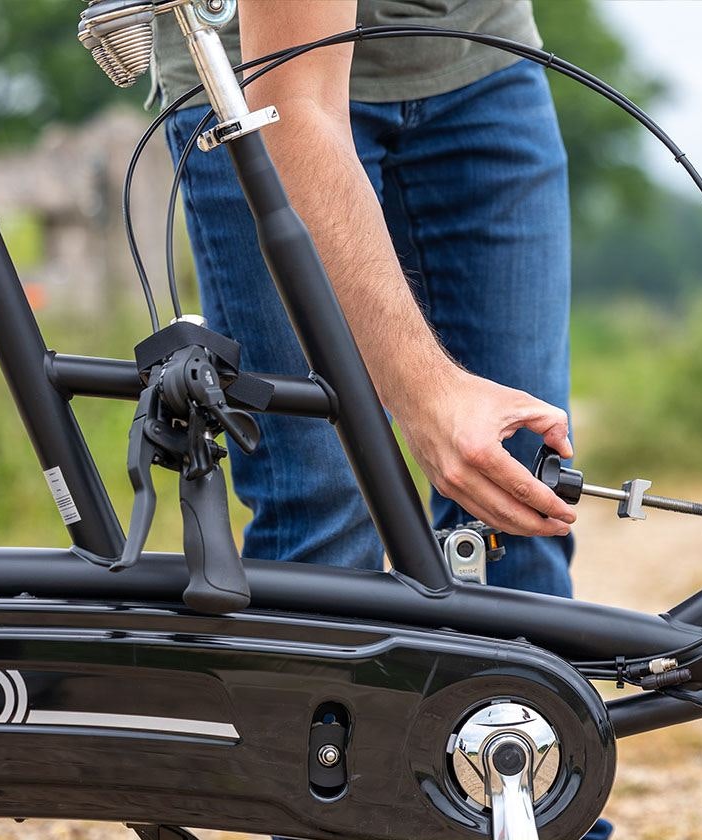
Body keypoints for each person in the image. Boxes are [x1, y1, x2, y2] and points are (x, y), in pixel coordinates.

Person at [151, 0, 579, 595]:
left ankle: (501, 691)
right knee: (325, 517)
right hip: (260, 78)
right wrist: (424, 392)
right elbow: (293, 104)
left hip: (480, 57)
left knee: (520, 494)